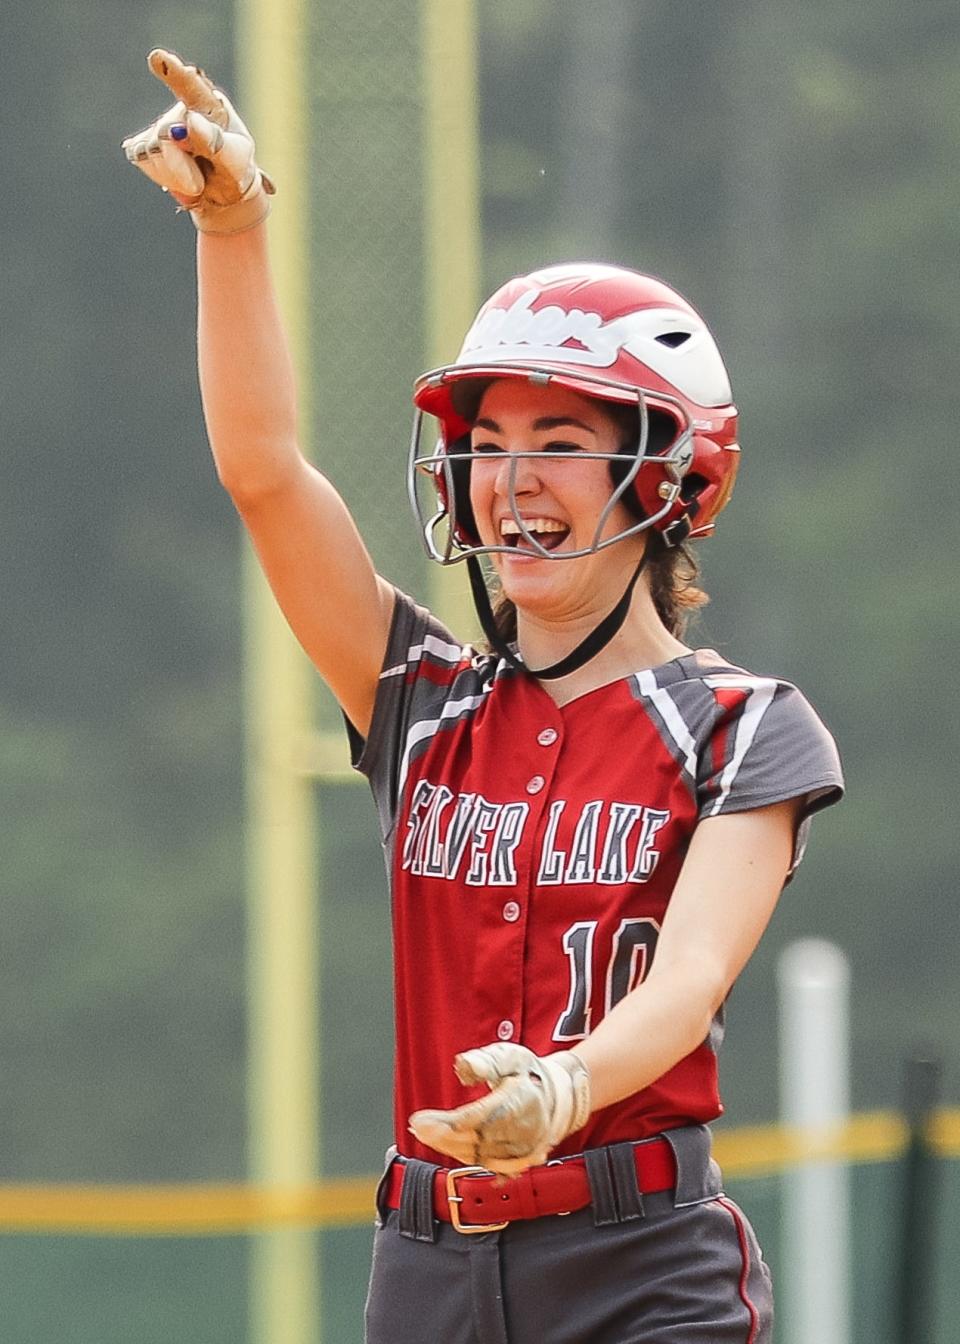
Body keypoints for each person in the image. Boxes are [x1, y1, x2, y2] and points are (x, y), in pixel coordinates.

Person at [123, 50, 844, 1344]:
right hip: (428, 1266)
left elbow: (683, 989)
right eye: (485, 446)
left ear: (671, 481)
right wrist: (231, 229)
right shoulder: (419, 697)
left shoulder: (744, 729)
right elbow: (265, 473)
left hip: (644, 1269)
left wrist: (560, 1094)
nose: (508, 479)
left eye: (561, 445)